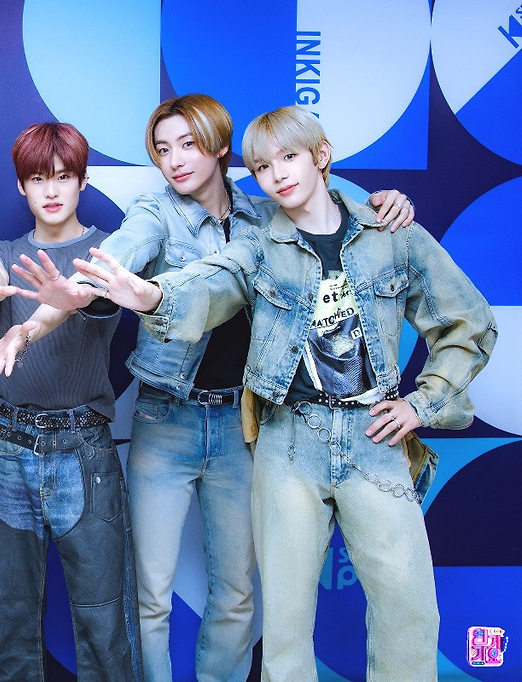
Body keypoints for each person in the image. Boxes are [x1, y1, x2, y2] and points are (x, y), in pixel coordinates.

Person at [0, 94, 414, 682]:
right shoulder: (154, 214)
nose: (175, 160)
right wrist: (36, 323)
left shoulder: (266, 217)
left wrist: (383, 203)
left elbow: (328, 211)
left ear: (220, 146)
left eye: (188, 144)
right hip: (165, 421)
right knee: (148, 595)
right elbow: (108, 267)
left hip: (242, 425)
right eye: (162, 149)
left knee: (236, 591)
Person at [75, 105, 497, 681]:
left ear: (322, 155)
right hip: (287, 440)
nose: (277, 174)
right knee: (285, 627)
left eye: (290, 157)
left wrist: (422, 403)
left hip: (374, 439)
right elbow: (210, 283)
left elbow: (469, 324)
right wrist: (149, 295)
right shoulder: (258, 244)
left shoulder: (392, 235)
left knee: (409, 610)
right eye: (262, 166)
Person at [0, 122, 141, 680]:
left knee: (105, 615)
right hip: (10, 447)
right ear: (21, 186)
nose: (51, 190)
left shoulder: (108, 251)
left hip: (84, 449)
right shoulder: (4, 252)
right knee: (7, 617)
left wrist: (51, 312)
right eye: (37, 178)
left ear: (82, 181)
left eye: (63, 176)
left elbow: (96, 300)